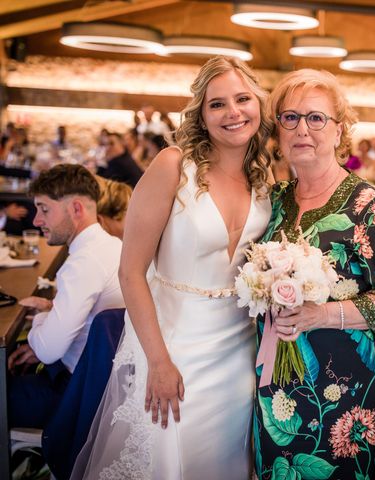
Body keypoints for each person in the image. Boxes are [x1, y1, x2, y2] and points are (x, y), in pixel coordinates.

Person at [71, 56, 273, 479]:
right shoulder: (172, 166)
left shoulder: (266, 177)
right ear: (201, 113)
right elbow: (131, 271)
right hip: (175, 346)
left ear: (258, 103)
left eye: (242, 99)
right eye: (217, 104)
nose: (233, 112)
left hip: (240, 353)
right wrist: (159, 361)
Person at [254, 68, 375, 479]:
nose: (302, 129)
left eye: (315, 117)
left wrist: (320, 314)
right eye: (289, 118)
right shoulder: (274, 201)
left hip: (343, 394)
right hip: (277, 390)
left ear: (338, 129)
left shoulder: (369, 208)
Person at [7, 164, 124, 429]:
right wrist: (51, 309)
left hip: (75, 394)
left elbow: (48, 351)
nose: (37, 220)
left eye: (44, 209)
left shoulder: (84, 262)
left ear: (76, 209)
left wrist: (42, 317)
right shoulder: (112, 246)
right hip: (101, 382)